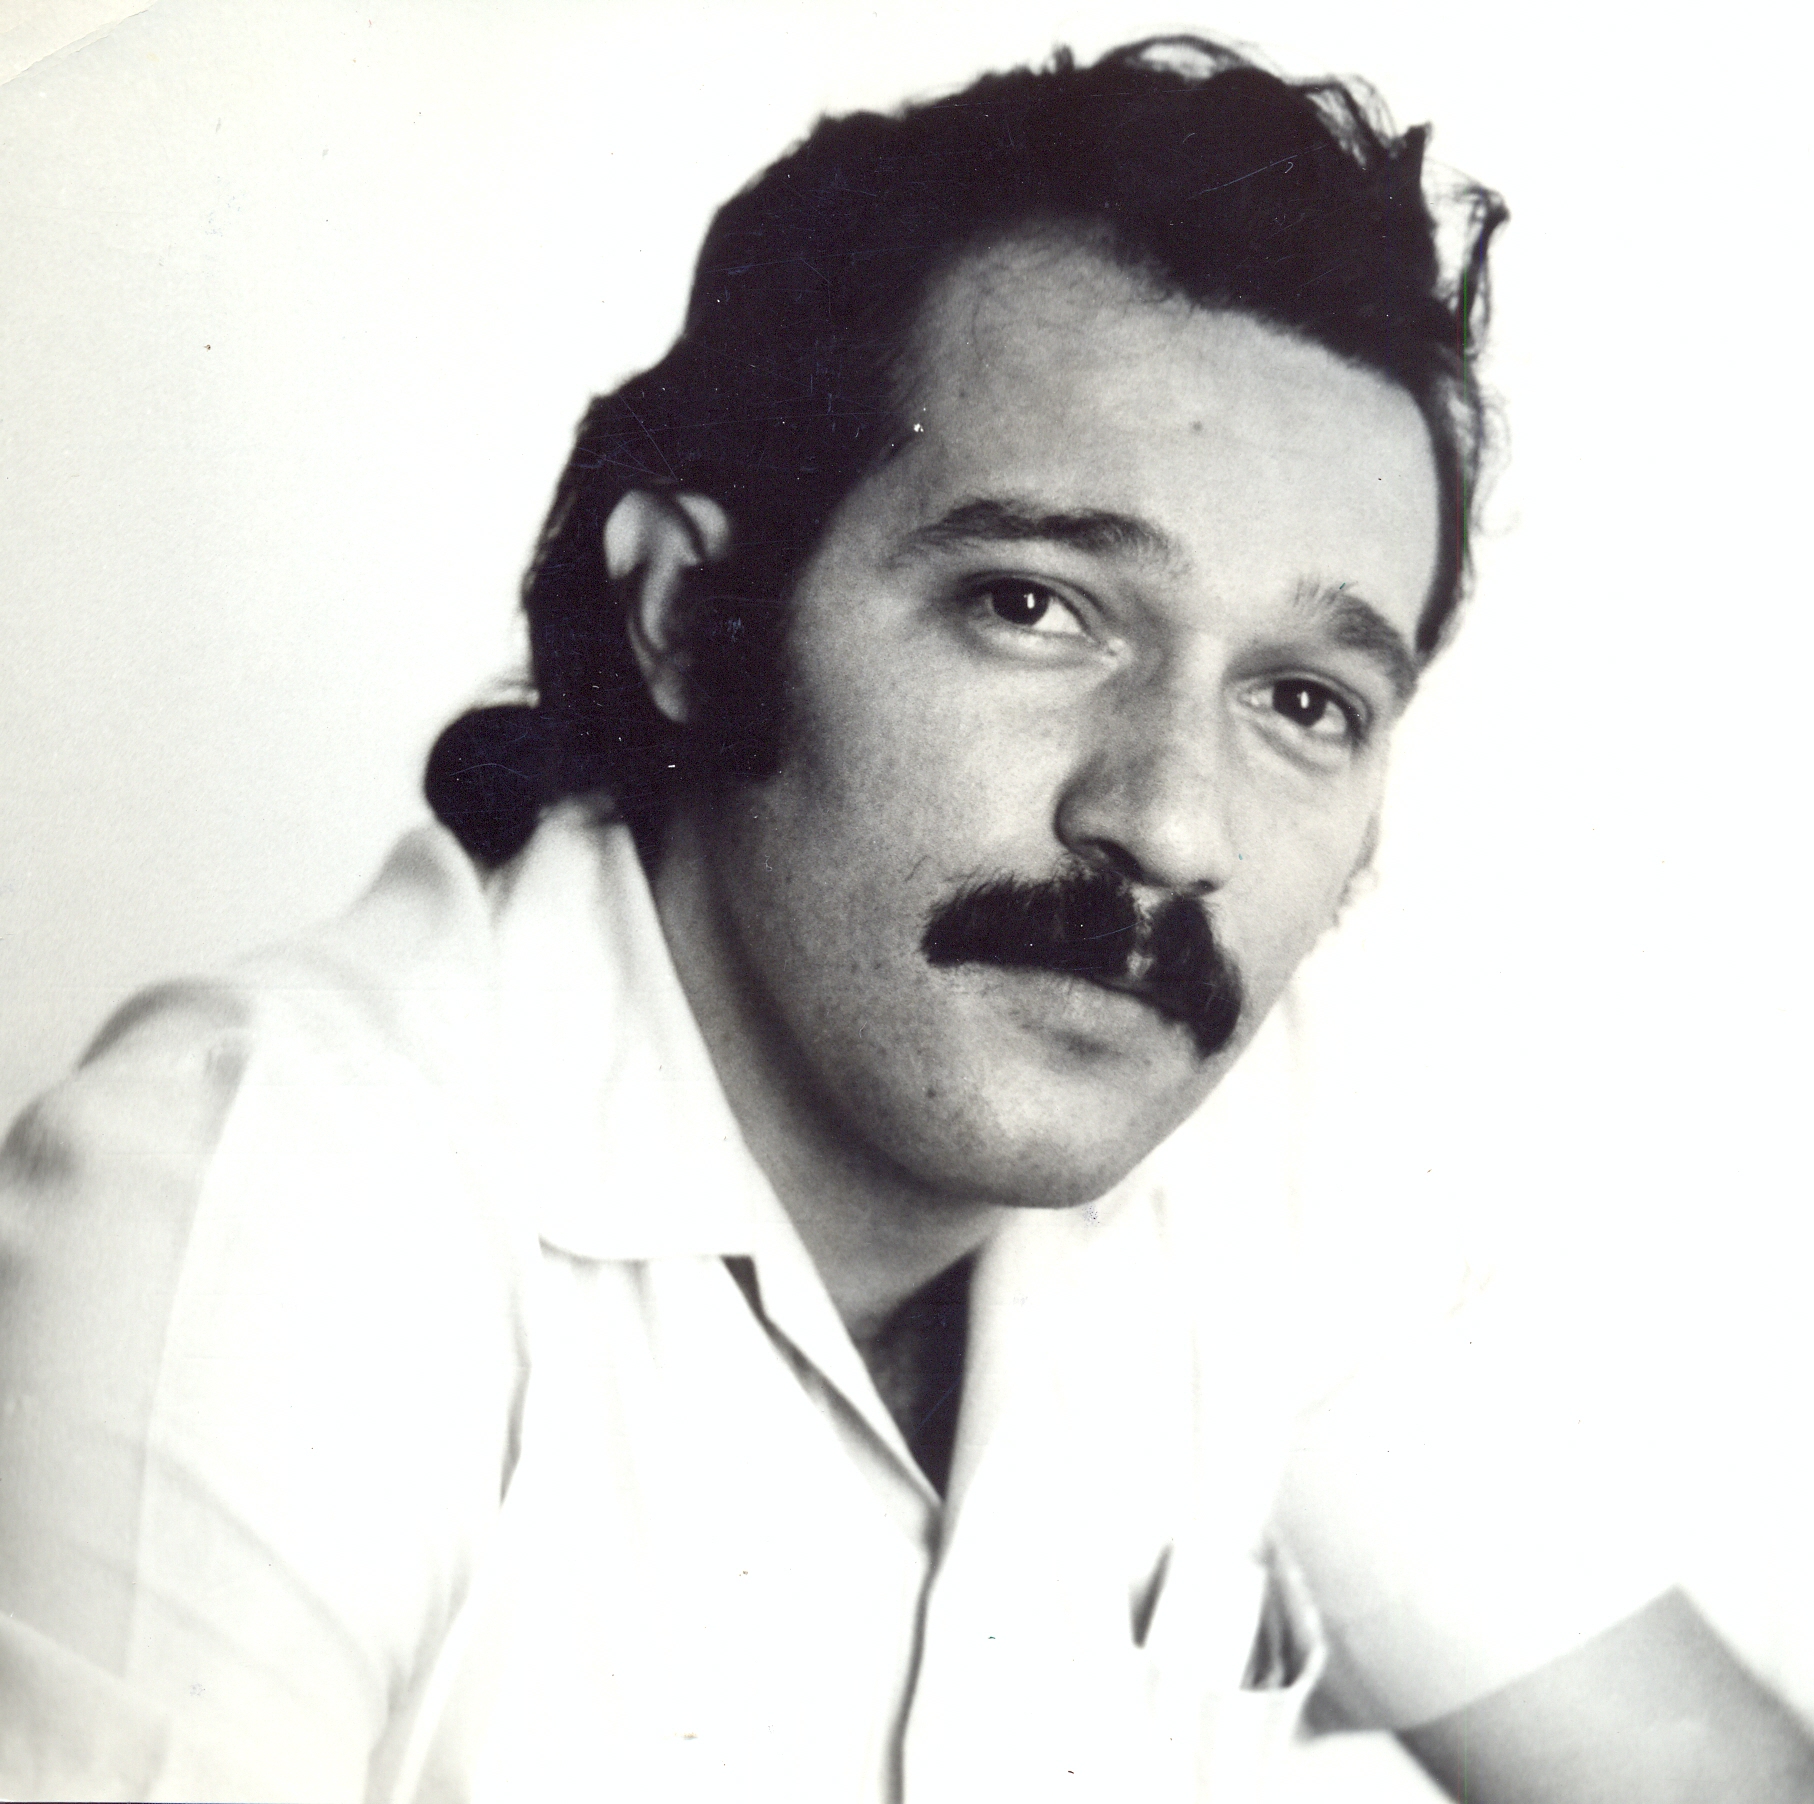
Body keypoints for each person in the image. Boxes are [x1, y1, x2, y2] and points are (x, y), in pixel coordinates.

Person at [0, 34, 1808, 1804]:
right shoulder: (263, 1207)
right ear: (690, 617)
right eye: (1035, 606)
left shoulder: (1249, 1152)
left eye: (1301, 702)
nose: (1171, 826)